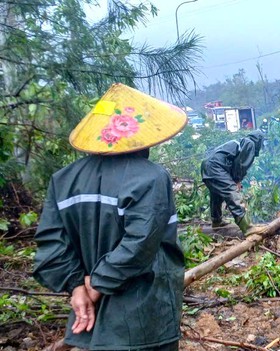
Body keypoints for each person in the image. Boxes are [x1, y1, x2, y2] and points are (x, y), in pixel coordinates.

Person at [33, 83, 186, 350]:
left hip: (93, 320)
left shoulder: (64, 180)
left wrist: (77, 289)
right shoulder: (151, 177)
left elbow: (51, 245)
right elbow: (140, 244)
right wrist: (95, 286)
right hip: (144, 317)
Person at [200, 131, 264, 233]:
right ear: (259, 141)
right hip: (215, 167)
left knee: (216, 194)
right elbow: (241, 164)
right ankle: (248, 228)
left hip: (207, 166)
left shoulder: (240, 142)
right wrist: (237, 180)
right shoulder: (249, 143)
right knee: (231, 192)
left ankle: (216, 221)